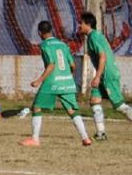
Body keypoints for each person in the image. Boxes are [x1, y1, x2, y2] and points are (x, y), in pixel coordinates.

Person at [19, 21, 92, 147]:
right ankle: (85, 138)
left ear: (39, 33)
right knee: (71, 110)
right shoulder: (63, 45)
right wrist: (67, 77)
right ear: (51, 30)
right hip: (67, 81)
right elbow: (73, 65)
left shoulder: (45, 45)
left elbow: (51, 65)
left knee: (37, 107)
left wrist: (39, 80)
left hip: (52, 81)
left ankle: (35, 139)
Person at [79, 12, 132, 141]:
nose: (79, 26)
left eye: (81, 23)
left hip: (107, 74)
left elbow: (103, 56)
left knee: (119, 105)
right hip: (102, 74)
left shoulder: (94, 37)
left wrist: (97, 76)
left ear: (88, 24)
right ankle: (101, 133)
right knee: (95, 101)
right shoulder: (94, 36)